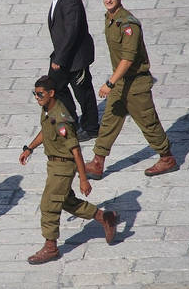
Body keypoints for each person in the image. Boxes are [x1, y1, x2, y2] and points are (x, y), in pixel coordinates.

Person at [84, 0, 179, 180]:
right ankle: (97, 162)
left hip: (135, 83)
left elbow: (127, 59)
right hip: (121, 82)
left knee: (148, 122)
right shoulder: (110, 19)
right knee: (110, 120)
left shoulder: (128, 24)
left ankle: (166, 157)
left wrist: (109, 83)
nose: (108, 0)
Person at [18, 76, 117, 265]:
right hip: (53, 164)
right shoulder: (48, 110)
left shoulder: (61, 118)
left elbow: (76, 151)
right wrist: (29, 148)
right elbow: (46, 131)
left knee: (49, 205)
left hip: (63, 166)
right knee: (66, 201)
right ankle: (104, 217)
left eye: (40, 94)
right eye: (35, 94)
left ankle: (50, 247)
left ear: (51, 94)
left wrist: (83, 179)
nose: (37, 98)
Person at [35, 0, 99, 142]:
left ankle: (91, 127)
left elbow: (72, 32)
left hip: (75, 58)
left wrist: (59, 58)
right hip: (64, 55)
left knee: (83, 92)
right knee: (55, 86)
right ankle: (72, 119)